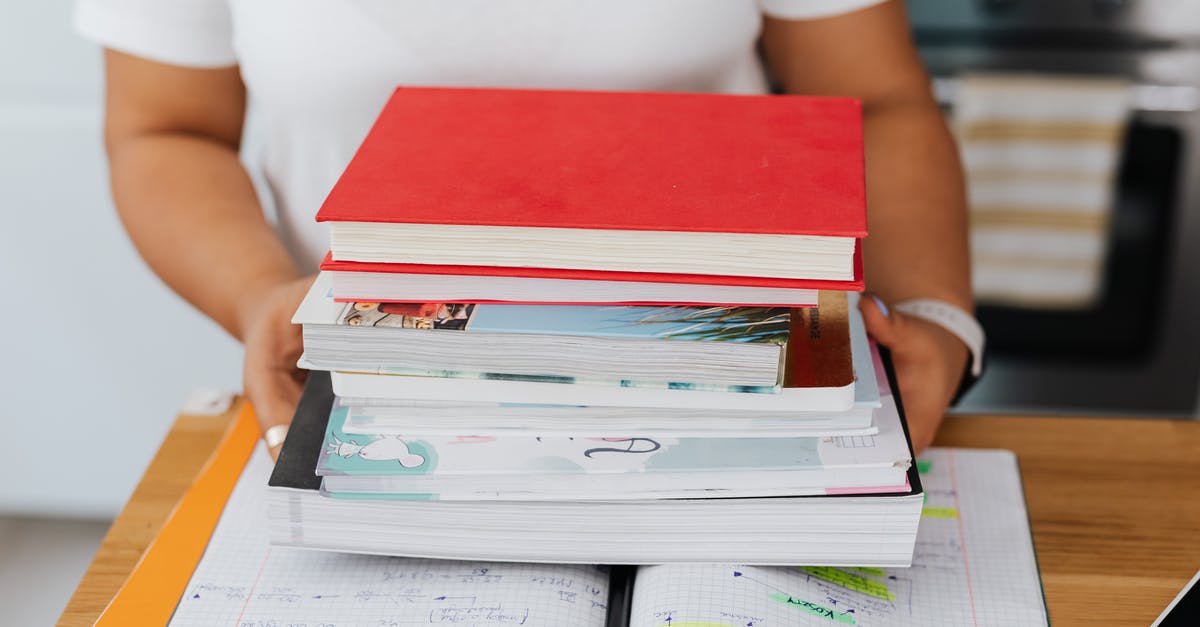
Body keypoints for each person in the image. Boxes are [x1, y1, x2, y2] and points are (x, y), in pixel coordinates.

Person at [77, 0, 974, 458]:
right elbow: (167, 129)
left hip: (737, 386)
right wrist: (259, 294)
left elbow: (879, 100)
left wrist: (935, 315)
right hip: (370, 390)